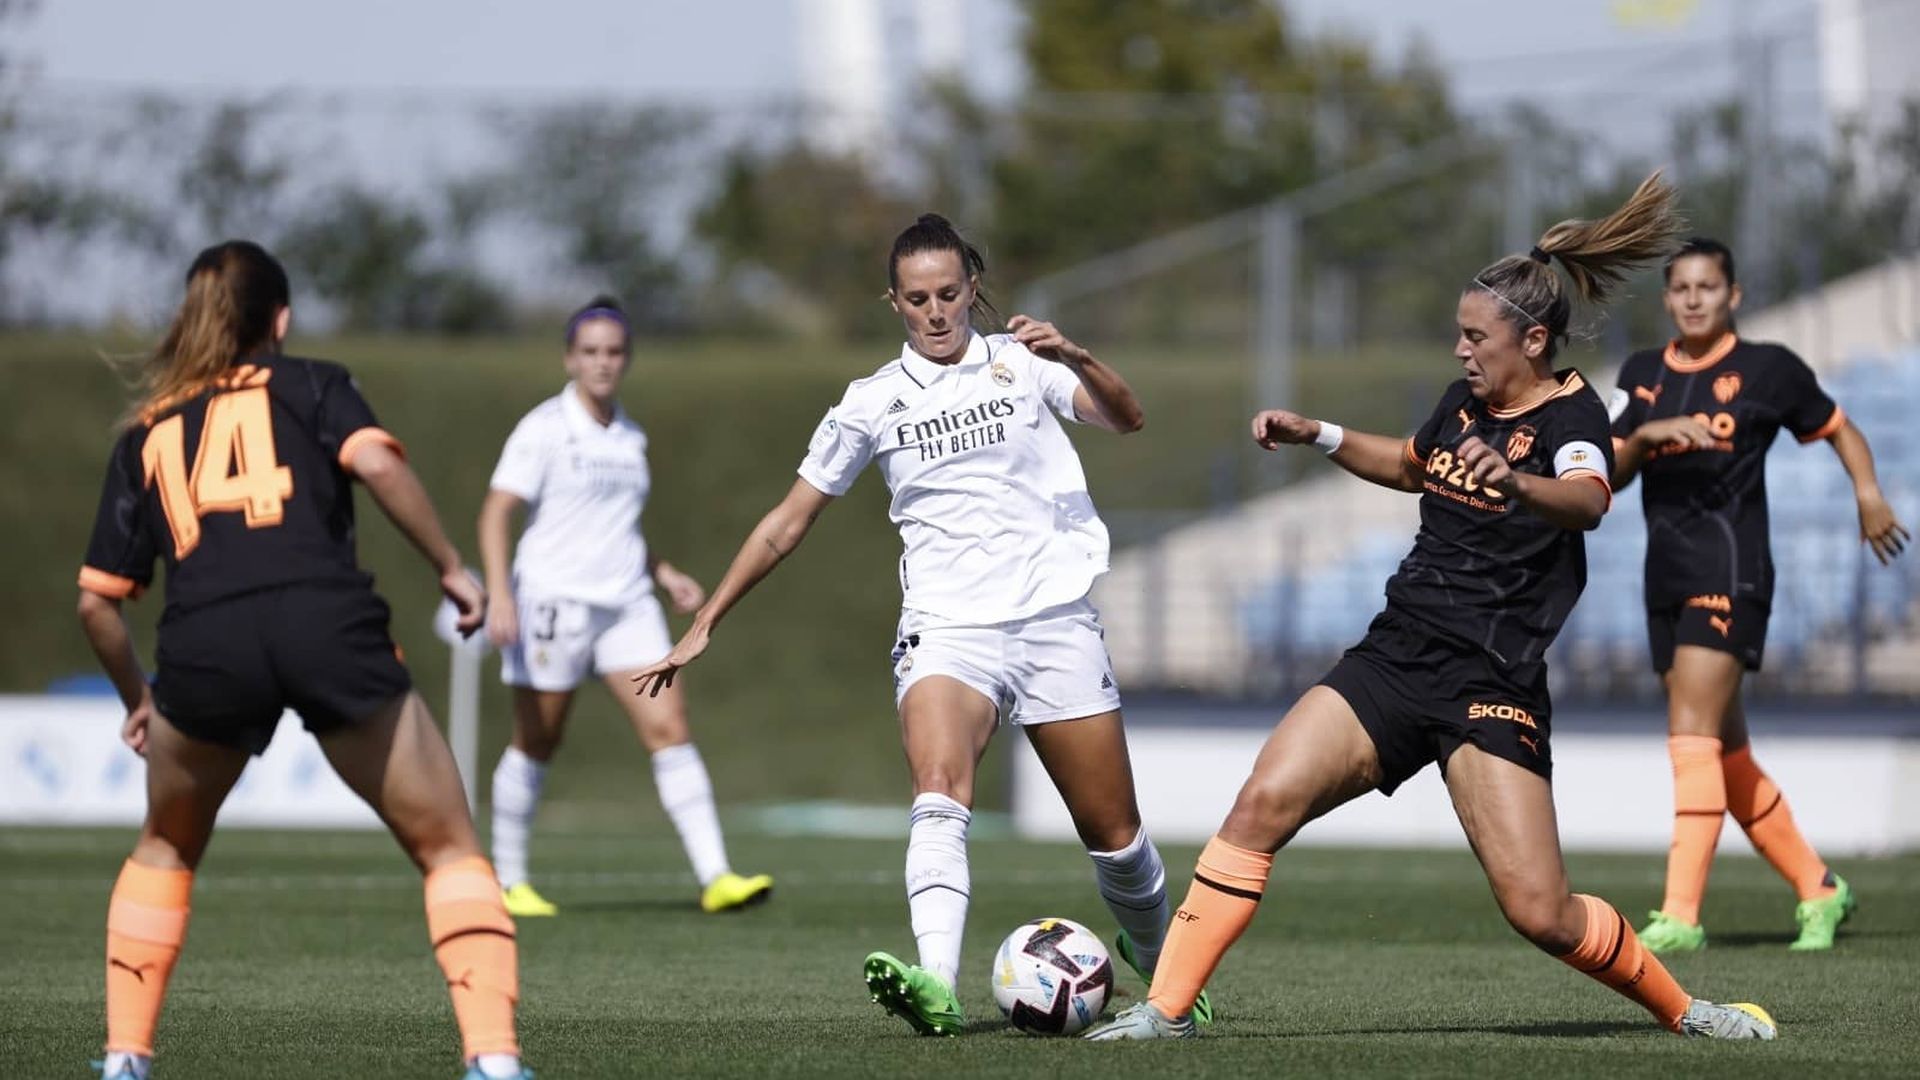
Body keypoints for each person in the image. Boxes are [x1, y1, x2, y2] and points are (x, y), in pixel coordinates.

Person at [1085, 174, 1777, 1043]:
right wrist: (1322, 436)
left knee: (1541, 913)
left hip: (1492, 680)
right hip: (1397, 654)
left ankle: (1685, 1010)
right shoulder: (1465, 404)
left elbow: (1589, 500)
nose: (1461, 350)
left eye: (1474, 336)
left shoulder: (1574, 415)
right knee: (1261, 804)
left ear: (1532, 339)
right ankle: (1167, 1012)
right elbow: (1413, 464)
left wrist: (1518, 482)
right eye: (1459, 333)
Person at [632, 212, 1208, 1036]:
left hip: (1054, 619)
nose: (936, 313)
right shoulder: (871, 403)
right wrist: (708, 622)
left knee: (1115, 839)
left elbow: (1127, 417)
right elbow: (784, 523)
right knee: (938, 791)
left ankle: (1165, 968)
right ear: (893, 303)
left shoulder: (1021, 363)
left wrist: (1074, 354)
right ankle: (934, 981)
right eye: (917, 299)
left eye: (949, 294)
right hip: (947, 627)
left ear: (973, 288)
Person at [75, 241, 530, 1080]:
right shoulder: (312, 383)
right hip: (326, 624)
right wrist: (450, 569)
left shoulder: (148, 429)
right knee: (449, 846)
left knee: (165, 848)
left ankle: (124, 1059)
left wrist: (140, 697)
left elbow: (98, 600)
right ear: (279, 320)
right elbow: (376, 462)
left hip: (204, 641)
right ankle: (494, 1061)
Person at [1608, 237, 1907, 954]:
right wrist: (1645, 437)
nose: (1693, 298)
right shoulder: (1641, 374)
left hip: (1733, 571)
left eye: (1707, 287)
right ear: (1666, 298)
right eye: (1680, 288)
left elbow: (1839, 428)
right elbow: (1608, 477)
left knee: (1690, 735)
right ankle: (1820, 887)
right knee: (1724, 751)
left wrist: (1868, 494)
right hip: (1665, 575)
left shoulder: (1767, 369)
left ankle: (1680, 914)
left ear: (1733, 295)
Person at [478, 295, 772, 918]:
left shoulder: (630, 435)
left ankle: (716, 877)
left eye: (613, 352)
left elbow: (618, 528)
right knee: (537, 739)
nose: (602, 363)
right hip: (554, 600)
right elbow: (496, 512)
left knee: (670, 730)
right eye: (590, 352)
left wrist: (663, 573)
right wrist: (500, 594)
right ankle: (507, 881)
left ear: (626, 358)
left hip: (626, 605)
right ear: (569, 358)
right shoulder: (544, 429)